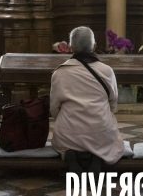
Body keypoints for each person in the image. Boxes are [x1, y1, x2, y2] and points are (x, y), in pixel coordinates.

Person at [50, 26, 125, 165]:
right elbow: (112, 103)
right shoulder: (107, 71)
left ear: (71, 47)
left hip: (68, 135)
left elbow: (54, 108)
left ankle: (71, 154)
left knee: (64, 141)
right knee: (112, 143)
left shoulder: (59, 73)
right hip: (101, 133)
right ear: (94, 46)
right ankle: (97, 156)